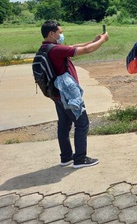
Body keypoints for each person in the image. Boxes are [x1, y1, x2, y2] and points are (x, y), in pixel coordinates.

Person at [39, 20, 109, 168]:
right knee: (82, 123)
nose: (62, 34)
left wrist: (93, 40)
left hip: (57, 94)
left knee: (64, 125)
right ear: (52, 34)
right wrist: (103, 40)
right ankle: (80, 158)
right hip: (68, 94)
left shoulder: (46, 48)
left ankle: (66, 157)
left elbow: (73, 47)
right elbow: (87, 50)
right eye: (60, 32)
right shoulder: (55, 50)